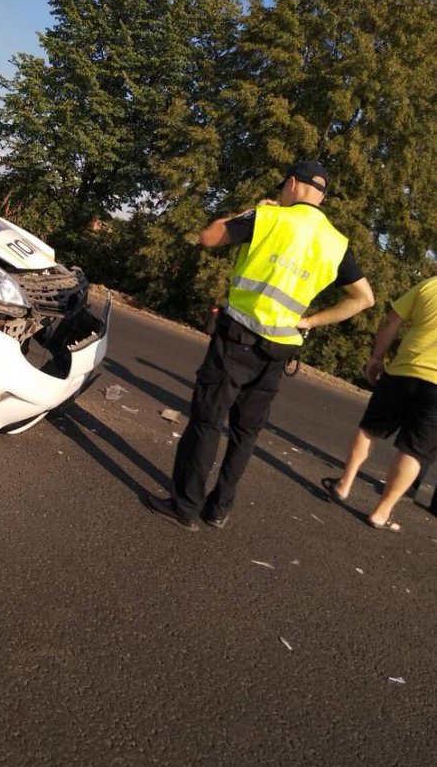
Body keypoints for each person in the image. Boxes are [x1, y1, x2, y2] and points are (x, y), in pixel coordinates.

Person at [143, 159, 375, 531]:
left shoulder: (269, 217)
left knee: (207, 420)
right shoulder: (336, 243)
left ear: (292, 184)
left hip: (238, 338)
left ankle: (185, 506)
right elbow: (364, 298)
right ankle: (219, 509)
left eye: (284, 187)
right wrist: (310, 321)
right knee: (245, 432)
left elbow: (208, 237)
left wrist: (252, 210)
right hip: (280, 349)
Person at [322, 276, 437, 532]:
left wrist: (376, 357)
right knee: (414, 451)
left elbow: (392, 319)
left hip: (403, 371)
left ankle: (344, 484)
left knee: (370, 428)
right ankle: (381, 512)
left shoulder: (430, 285)